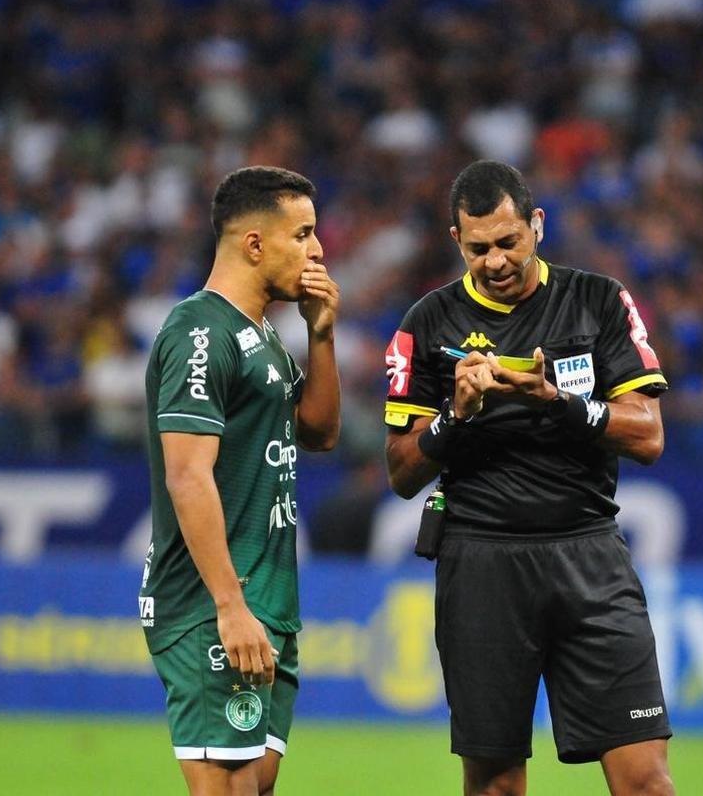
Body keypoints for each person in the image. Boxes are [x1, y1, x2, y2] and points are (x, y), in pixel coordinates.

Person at [383, 161, 674, 796]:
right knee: (495, 786)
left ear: (536, 225)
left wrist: (560, 402)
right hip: (481, 563)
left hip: (589, 558)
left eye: (507, 242)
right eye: (477, 248)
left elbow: (648, 435)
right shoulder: (428, 323)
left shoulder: (597, 300)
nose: (494, 261)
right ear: (457, 240)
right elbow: (401, 470)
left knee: (647, 783)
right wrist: (455, 417)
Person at [140, 166, 340, 796]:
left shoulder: (261, 334)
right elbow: (187, 475)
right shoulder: (200, 331)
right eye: (303, 234)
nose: (318, 250)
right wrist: (230, 607)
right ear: (255, 244)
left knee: (255, 785)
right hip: (213, 604)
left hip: (269, 602)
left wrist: (321, 334)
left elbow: (319, 432)